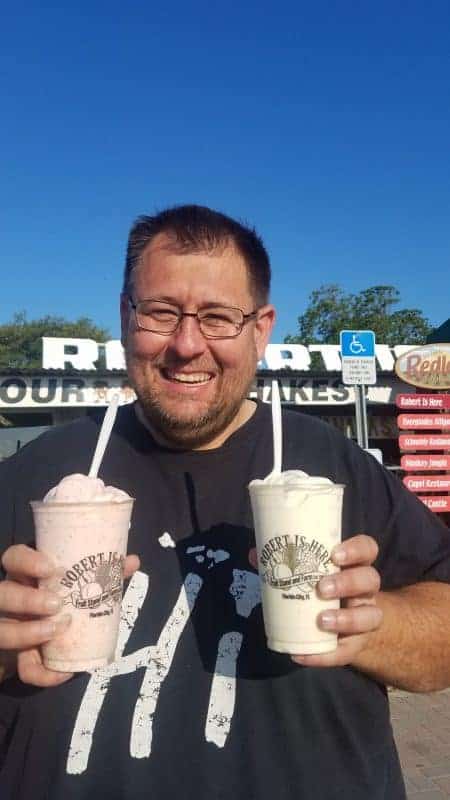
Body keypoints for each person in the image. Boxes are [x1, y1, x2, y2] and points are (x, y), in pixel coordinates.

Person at [1, 205, 450, 800]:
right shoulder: (37, 474)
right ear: (125, 315)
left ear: (260, 330)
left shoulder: (334, 468)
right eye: (161, 312)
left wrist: (372, 627)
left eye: (217, 318)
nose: (187, 345)